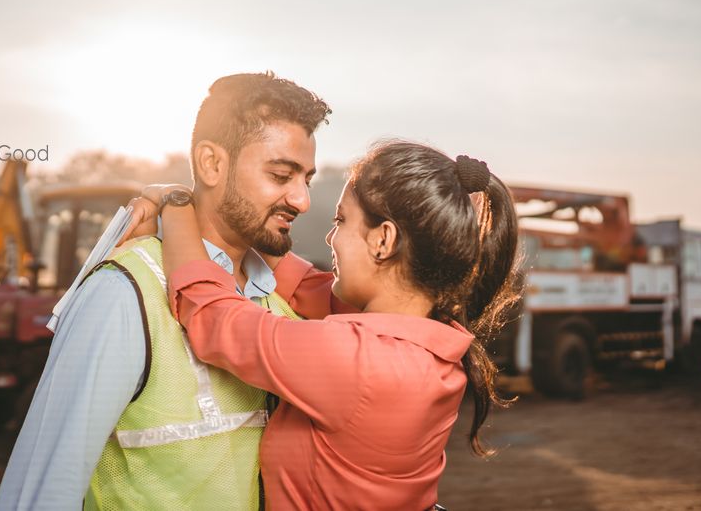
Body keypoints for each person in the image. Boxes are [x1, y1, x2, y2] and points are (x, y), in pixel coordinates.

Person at [0, 73, 336, 510]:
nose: (302, 200)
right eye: (281, 174)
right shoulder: (123, 293)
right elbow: (42, 492)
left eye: (305, 178)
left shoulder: (277, 302)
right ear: (212, 164)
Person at [145, 141, 521, 510]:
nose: (330, 238)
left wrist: (177, 204)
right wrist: (250, 222)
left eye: (341, 220)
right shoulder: (432, 338)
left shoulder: (356, 361)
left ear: (383, 239)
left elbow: (211, 315)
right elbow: (309, 286)